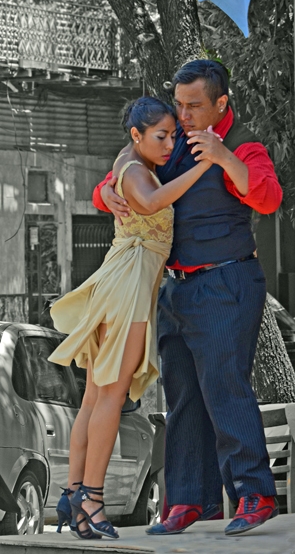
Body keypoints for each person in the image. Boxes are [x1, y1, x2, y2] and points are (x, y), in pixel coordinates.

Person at [95, 60, 283, 537]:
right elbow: (130, 164)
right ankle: (190, 501)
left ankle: (254, 494)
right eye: (178, 105)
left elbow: (267, 197)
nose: (183, 115)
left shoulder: (244, 145)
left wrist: (223, 157)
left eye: (194, 106)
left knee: (223, 385)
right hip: (175, 288)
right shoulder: (172, 140)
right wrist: (105, 192)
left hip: (226, 282)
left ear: (221, 104)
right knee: (182, 397)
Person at [48, 95, 214, 541]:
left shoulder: (128, 160)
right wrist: (206, 163)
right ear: (136, 135)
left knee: (94, 397)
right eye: (161, 136)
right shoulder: (137, 170)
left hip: (121, 278)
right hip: (129, 285)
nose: (169, 143)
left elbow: (117, 190)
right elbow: (149, 201)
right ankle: (93, 500)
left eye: (173, 135)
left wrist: (104, 191)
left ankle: (73, 494)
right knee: (110, 397)